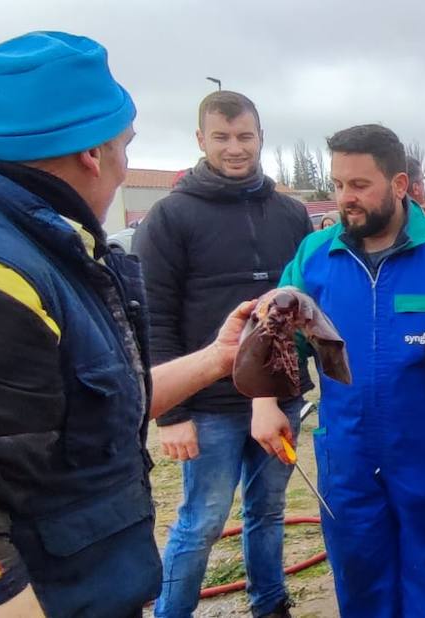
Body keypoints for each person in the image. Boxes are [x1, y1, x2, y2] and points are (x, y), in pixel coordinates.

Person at [0, 31, 265, 616]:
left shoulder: (46, 244)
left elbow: (89, 404)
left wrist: (219, 358)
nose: (124, 165)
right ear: (93, 152)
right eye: (125, 145)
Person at [270, 124, 425, 617]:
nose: (346, 199)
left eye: (359, 185)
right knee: (359, 574)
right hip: (347, 447)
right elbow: (276, 334)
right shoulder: (315, 255)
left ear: (399, 184)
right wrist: (264, 403)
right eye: (338, 185)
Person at [133, 90, 313, 618]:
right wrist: (172, 414)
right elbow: (153, 318)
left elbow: (305, 306)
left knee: (269, 510)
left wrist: (293, 383)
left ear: (260, 138)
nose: (235, 149)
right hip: (207, 403)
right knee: (203, 519)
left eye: (245, 137)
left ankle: (270, 603)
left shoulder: (291, 213)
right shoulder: (170, 216)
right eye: (222, 137)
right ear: (200, 140)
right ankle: (174, 611)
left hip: (280, 398)